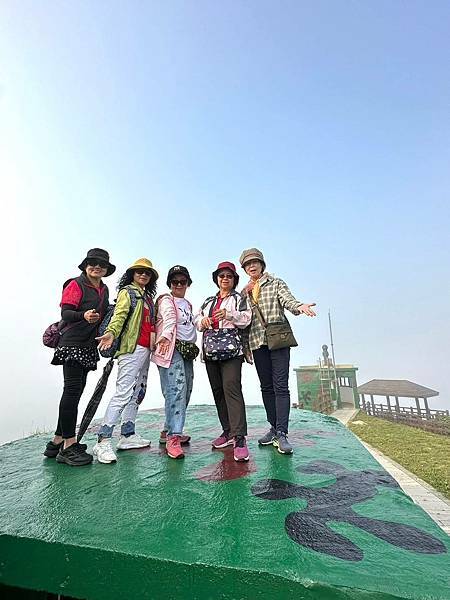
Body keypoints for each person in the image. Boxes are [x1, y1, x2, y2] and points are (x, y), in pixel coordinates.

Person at [239, 248, 316, 455]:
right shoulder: (245, 292)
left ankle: (282, 432)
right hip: (257, 342)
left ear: (262, 264)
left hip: (278, 339)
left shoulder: (275, 283)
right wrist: (245, 347)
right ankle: (273, 427)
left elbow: (288, 300)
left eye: (255, 262)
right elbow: (244, 321)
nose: (252, 266)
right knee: (266, 387)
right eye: (247, 264)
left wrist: (300, 306)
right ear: (245, 269)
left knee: (280, 386)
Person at [44, 248, 115, 466]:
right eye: (93, 263)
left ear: (106, 270)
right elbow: (66, 313)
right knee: (72, 391)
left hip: (87, 345)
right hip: (72, 343)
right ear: (85, 265)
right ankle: (68, 445)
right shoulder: (75, 284)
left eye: (102, 265)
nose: (97, 267)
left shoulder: (104, 289)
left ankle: (57, 440)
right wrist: (82, 315)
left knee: (76, 390)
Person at [94, 258, 158, 464]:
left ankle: (127, 435)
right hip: (131, 349)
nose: (143, 275)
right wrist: (111, 333)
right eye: (139, 271)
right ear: (132, 274)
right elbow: (119, 315)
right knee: (122, 392)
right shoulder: (127, 292)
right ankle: (102, 441)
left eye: (147, 273)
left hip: (146, 350)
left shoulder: (148, 297)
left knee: (137, 392)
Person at [195, 261, 252, 462]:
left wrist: (229, 315)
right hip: (211, 351)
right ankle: (227, 431)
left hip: (232, 351)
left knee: (232, 388)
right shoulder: (209, 301)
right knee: (218, 390)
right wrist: (202, 321)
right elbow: (197, 319)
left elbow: (247, 319)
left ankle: (239, 437)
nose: (225, 279)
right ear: (216, 279)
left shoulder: (239, 298)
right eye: (221, 276)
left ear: (234, 279)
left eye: (229, 276)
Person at [152, 266, 198, 459]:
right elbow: (170, 319)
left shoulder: (187, 303)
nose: (179, 284)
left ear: (188, 283)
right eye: (175, 282)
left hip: (186, 350)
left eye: (183, 281)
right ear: (170, 284)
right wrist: (164, 336)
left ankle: (167, 430)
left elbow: (191, 322)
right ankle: (173, 437)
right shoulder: (165, 300)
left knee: (186, 390)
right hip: (170, 350)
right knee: (175, 390)